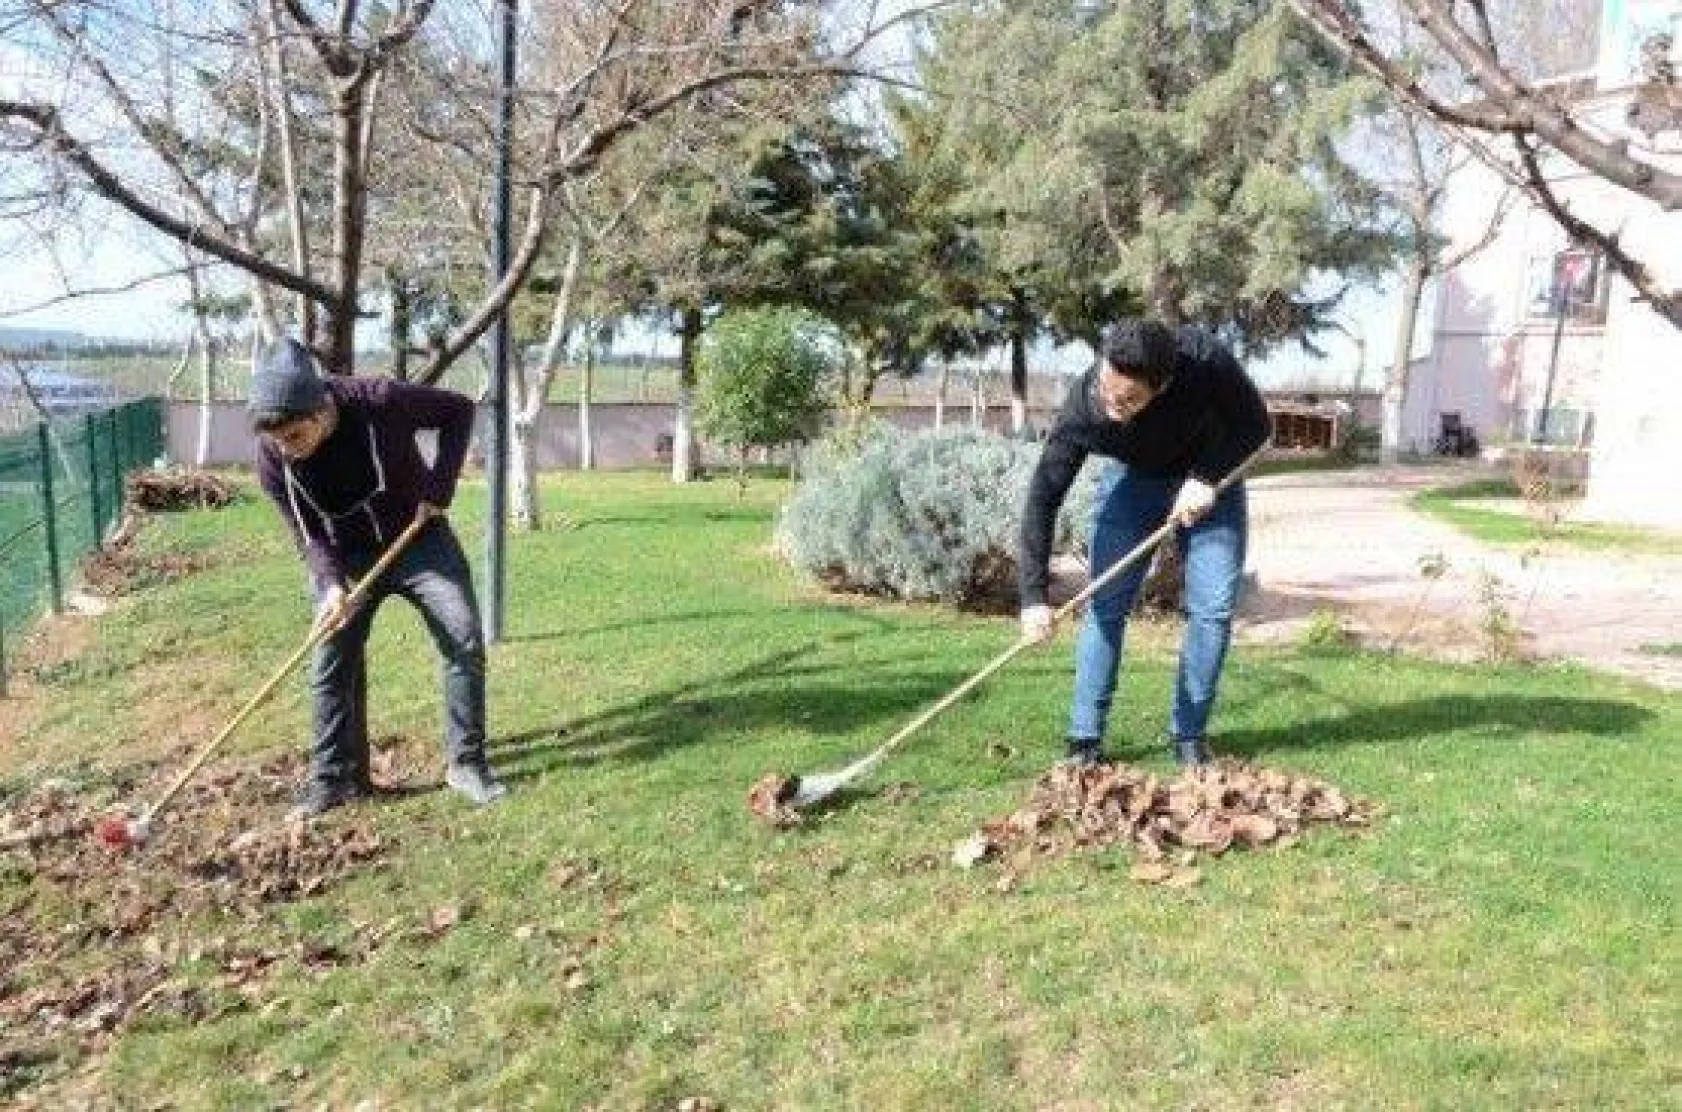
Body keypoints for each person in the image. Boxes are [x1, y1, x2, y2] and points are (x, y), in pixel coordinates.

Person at [250, 338, 508, 815]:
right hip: (346, 559)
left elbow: (458, 411)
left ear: (322, 410)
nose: (287, 450)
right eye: (277, 441)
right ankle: (331, 780)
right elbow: (308, 535)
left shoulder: (380, 401)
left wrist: (439, 486)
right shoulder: (272, 463)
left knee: (464, 640)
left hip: (419, 540)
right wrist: (330, 586)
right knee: (329, 663)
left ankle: (466, 764)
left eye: (295, 437)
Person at [1018, 319, 1270, 767]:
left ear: (1163, 386)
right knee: (1105, 603)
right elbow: (1044, 496)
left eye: (1129, 399)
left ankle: (1189, 737)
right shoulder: (1084, 408)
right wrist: (1033, 597)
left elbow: (1255, 426)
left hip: (1211, 483)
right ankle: (1084, 741)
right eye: (1106, 389)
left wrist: (1205, 479)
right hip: (1133, 482)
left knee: (1212, 609)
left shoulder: (1205, 360)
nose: (1113, 404)